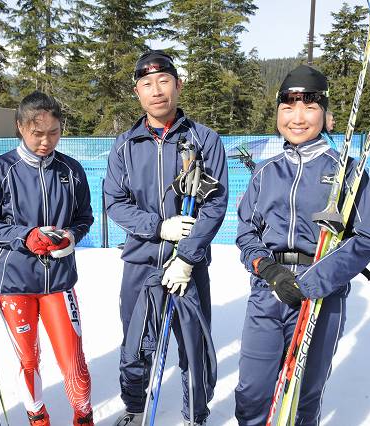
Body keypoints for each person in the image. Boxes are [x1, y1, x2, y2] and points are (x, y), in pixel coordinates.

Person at [234, 65, 370, 425]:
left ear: (326, 115)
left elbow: (367, 239)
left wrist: (310, 283)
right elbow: (245, 232)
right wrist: (267, 269)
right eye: (288, 107)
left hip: (321, 297)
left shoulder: (346, 170)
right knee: (252, 392)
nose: (297, 118)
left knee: (302, 395)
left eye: (309, 107)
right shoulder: (266, 172)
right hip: (268, 290)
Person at [103, 50, 228, 426]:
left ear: (178, 84)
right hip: (142, 262)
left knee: (193, 346)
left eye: (163, 81)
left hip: (187, 267)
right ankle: (135, 408)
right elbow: (114, 201)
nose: (156, 91)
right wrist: (158, 227)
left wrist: (188, 257)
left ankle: (195, 414)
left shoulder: (203, 140)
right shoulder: (126, 145)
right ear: (137, 92)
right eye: (147, 84)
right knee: (136, 344)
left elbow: (215, 203)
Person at [0, 91, 95, 426]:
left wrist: (71, 236)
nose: (45, 141)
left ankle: (84, 417)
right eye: (37, 133)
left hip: (58, 281)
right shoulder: (1, 168)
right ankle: (37, 417)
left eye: (53, 133)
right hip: (14, 283)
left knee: (73, 361)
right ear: (20, 128)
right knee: (28, 359)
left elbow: (84, 217)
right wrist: (23, 236)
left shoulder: (71, 170)